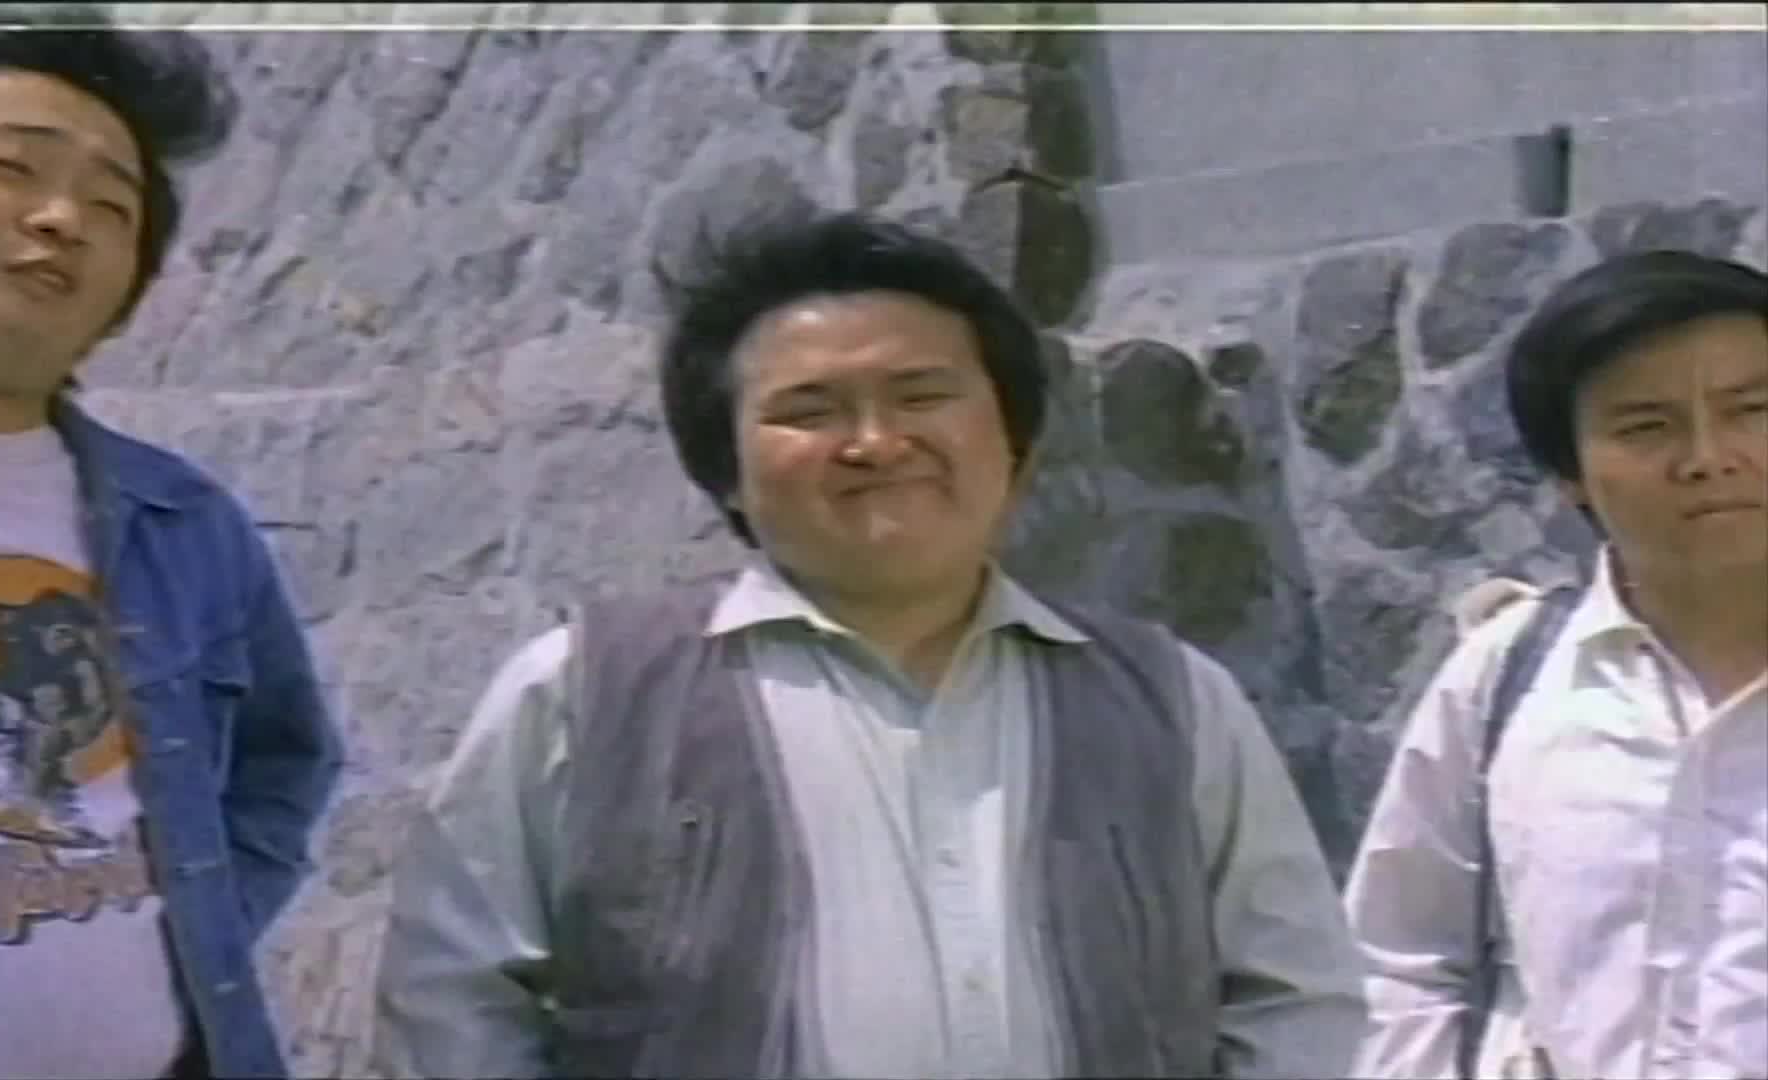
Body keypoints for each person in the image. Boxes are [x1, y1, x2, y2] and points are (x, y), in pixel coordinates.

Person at [373, 209, 1365, 1079]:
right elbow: (451, 1003)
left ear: (1015, 443)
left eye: (922, 396)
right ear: (725, 472)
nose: (876, 443)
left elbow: (1296, 1000)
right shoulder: (584, 697)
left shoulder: (1170, 700)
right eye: (809, 410)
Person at [0, 6, 343, 1078]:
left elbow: (282, 760)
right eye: (6, 167)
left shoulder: (185, 523)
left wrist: (199, 929)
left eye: (113, 207)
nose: (62, 217)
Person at [1346, 250, 1768, 1080]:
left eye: (1752, 410)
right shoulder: (1508, 676)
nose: (1709, 457)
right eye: (1646, 428)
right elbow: (1404, 959)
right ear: (1569, 473)